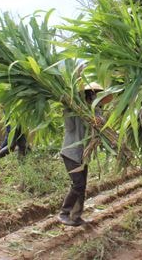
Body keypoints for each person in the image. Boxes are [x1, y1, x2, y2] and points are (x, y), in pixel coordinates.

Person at [57, 82, 106, 227]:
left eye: (95, 95)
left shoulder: (96, 110)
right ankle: (64, 213)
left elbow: (101, 123)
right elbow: (70, 127)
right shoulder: (73, 109)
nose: (93, 97)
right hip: (71, 152)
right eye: (91, 95)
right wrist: (69, 109)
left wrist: (99, 120)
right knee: (78, 184)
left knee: (82, 185)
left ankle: (76, 216)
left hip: (83, 154)